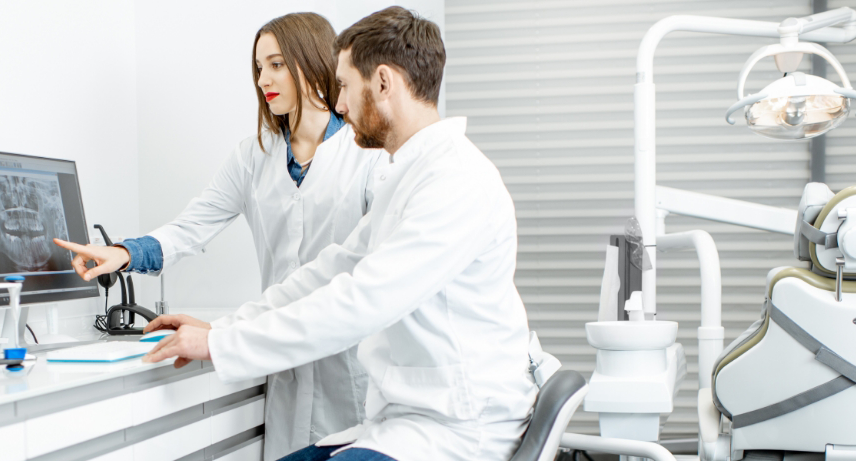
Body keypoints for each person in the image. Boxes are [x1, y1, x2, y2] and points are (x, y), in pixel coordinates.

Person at [140, 7, 538, 461]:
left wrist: (221, 344)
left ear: (383, 83)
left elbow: (361, 299)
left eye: (345, 86)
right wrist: (224, 328)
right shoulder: (407, 176)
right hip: (408, 421)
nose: (340, 103)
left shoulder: (455, 182)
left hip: (459, 429)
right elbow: (330, 271)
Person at [52, 12, 385, 460]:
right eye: (258, 68)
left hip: (352, 366)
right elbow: (192, 226)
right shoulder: (254, 156)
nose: (263, 79)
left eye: (276, 64)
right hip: (281, 363)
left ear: (311, 61)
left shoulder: (366, 155)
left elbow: (373, 269)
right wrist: (123, 253)